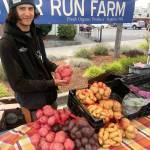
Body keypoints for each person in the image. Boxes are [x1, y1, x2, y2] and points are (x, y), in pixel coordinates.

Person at [0, 0, 69, 120]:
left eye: (30, 8)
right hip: (33, 107)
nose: (27, 13)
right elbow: (18, 84)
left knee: (56, 131)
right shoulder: (7, 43)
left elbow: (42, 60)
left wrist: (55, 67)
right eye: (22, 8)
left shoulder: (35, 34)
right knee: (40, 136)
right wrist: (51, 83)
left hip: (50, 98)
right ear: (13, 12)